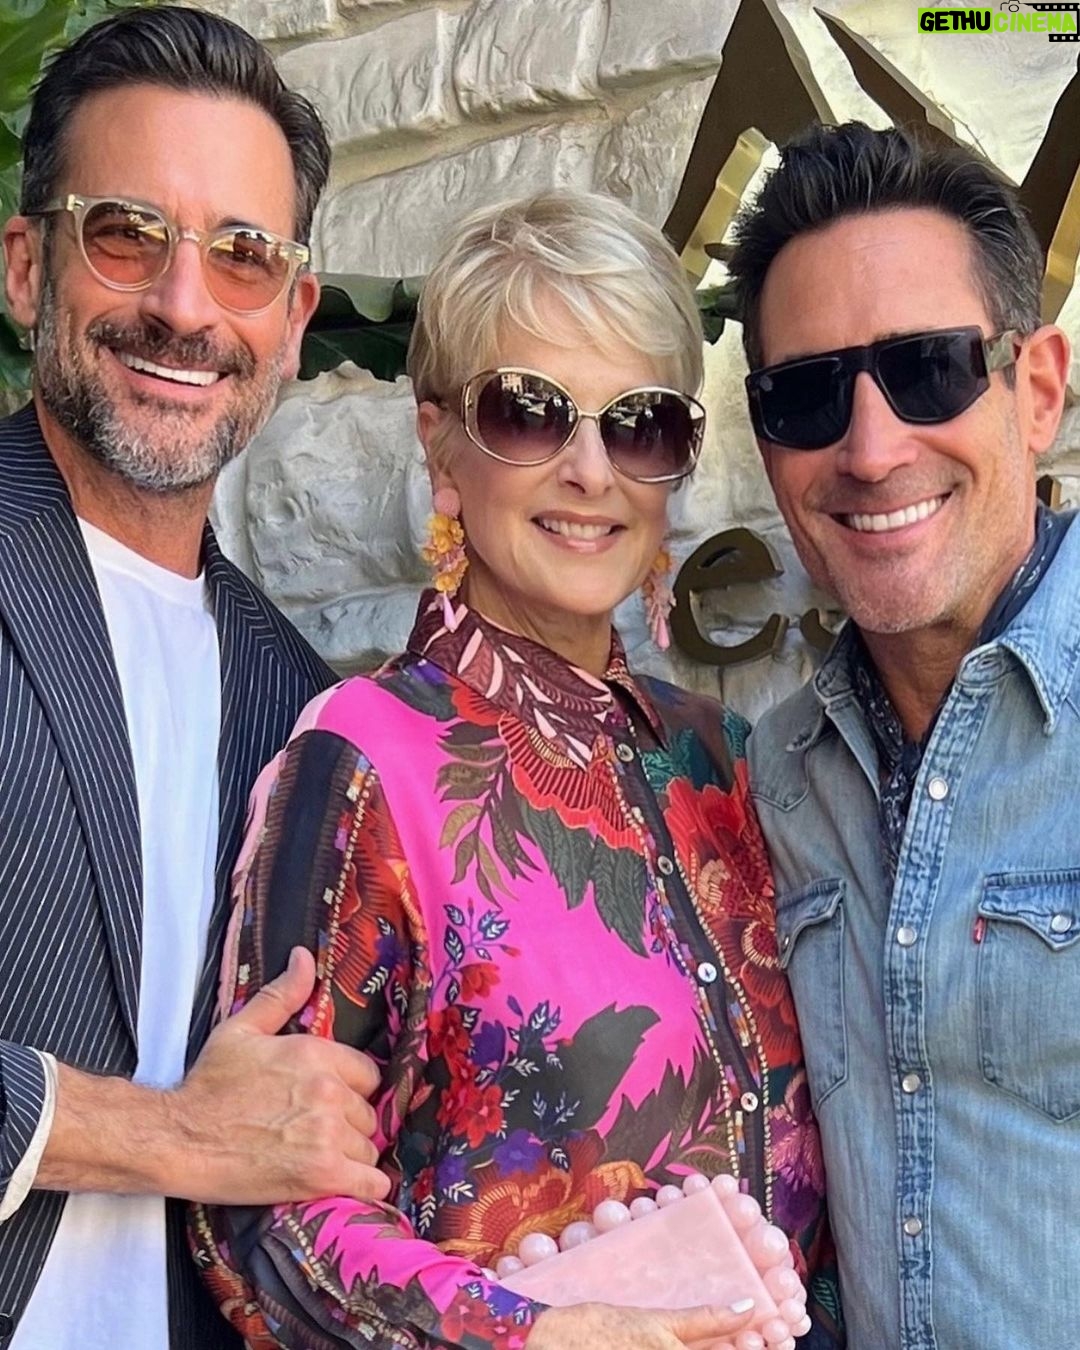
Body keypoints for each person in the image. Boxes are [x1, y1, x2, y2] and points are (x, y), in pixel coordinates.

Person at [193, 190, 841, 1349]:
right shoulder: (366, 760)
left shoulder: (725, 759)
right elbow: (267, 1215)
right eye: (530, 413)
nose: (591, 470)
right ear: (441, 442)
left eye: (640, 424)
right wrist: (530, 1335)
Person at [0, 9, 391, 1349]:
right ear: (26, 265)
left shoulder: (302, 707)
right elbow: (220, 1134)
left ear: (291, 319)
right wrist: (171, 1134)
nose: (183, 306)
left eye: (241, 257)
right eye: (126, 234)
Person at [728, 122, 1073, 1350]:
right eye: (809, 394)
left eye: (929, 369)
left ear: (1038, 389)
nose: (871, 451)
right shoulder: (776, 780)